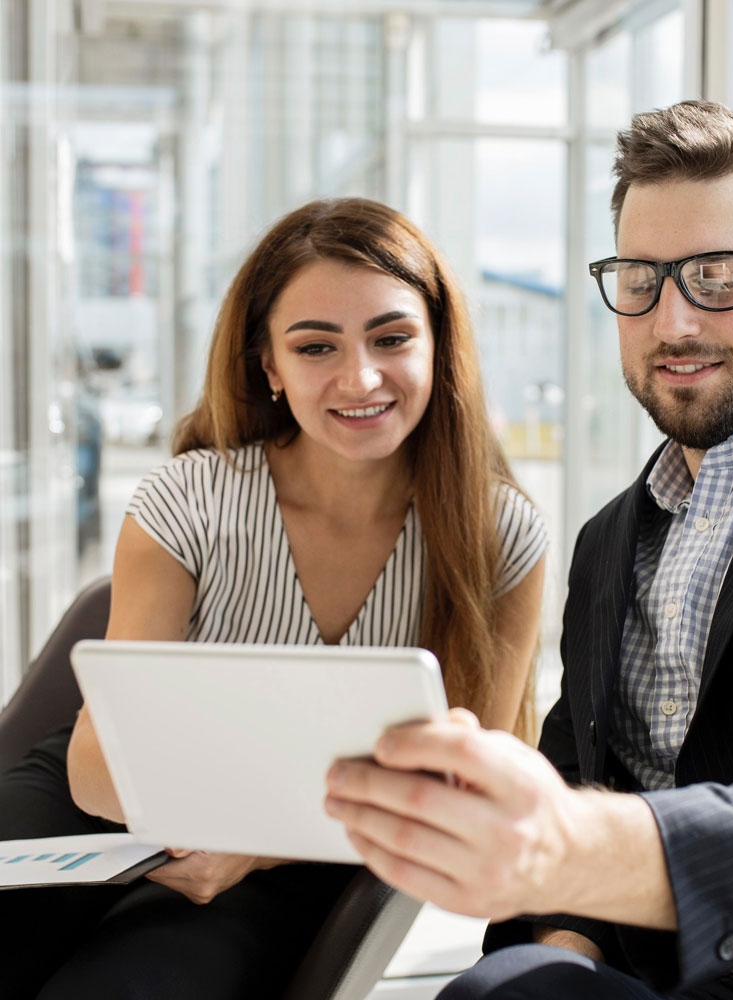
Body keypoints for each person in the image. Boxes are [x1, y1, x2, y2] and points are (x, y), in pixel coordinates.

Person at [324, 102, 733, 1000]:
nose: (672, 321)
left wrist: (565, 846)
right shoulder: (610, 538)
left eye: (719, 276)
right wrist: (561, 945)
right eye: (640, 278)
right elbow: (578, 769)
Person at [0, 197, 547, 1000]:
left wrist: (253, 848)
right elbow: (91, 768)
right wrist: (193, 822)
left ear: (438, 346)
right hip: (98, 819)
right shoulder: (186, 502)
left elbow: (467, 801)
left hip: (300, 861)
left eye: (391, 338)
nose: (359, 378)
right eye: (315, 346)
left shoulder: (500, 539)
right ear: (269, 367)